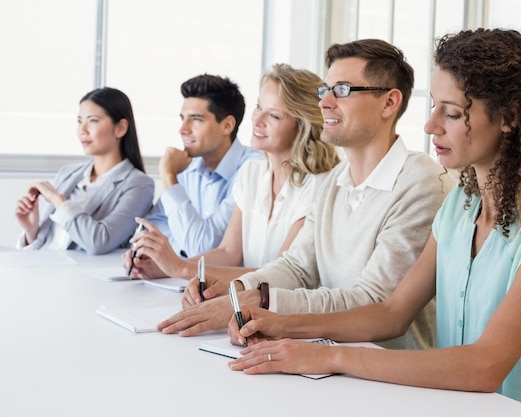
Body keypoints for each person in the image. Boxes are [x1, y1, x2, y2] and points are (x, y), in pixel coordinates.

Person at [227, 29, 521, 417]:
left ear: (508, 117)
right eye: (435, 106)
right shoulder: (460, 206)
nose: (430, 125)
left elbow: (484, 365)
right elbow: (392, 313)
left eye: (452, 113)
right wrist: (282, 325)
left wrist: (331, 357)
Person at [157, 38, 452, 351]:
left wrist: (260, 300)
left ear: (389, 103)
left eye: (342, 90)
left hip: (389, 378)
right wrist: (235, 289)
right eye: (324, 90)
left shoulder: (421, 182)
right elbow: (297, 267)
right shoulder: (336, 180)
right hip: (330, 361)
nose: (324, 103)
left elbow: (373, 301)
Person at [124, 63, 340, 287]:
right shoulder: (252, 172)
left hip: (285, 311)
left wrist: (180, 268)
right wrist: (163, 267)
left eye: (274, 116)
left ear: (302, 125)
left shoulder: (319, 185)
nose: (256, 120)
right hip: (248, 302)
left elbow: (282, 274)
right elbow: (229, 252)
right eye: (258, 107)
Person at [123, 74, 260, 268]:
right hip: (180, 281)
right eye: (182, 118)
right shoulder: (187, 165)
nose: (182, 129)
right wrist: (152, 253)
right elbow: (148, 229)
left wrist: (169, 177)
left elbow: (202, 248)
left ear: (227, 125)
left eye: (196, 119)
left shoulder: (252, 169)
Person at [14, 87, 154, 255]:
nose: (82, 129)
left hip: (80, 276)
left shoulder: (139, 185)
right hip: (42, 267)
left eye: (92, 121)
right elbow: (48, 244)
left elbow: (100, 241)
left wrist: (58, 200)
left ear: (121, 128)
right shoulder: (68, 173)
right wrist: (31, 231)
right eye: (80, 121)